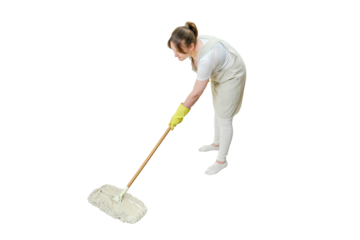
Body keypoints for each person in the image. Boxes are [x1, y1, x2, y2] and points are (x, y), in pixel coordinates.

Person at [166, 19, 247, 177]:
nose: (175, 56)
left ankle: (221, 161)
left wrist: (179, 114)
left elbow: (196, 93)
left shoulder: (206, 59)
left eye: (178, 52)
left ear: (190, 46)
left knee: (225, 118)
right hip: (220, 71)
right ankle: (216, 143)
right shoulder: (192, 39)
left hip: (232, 74)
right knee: (217, 109)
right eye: (173, 51)